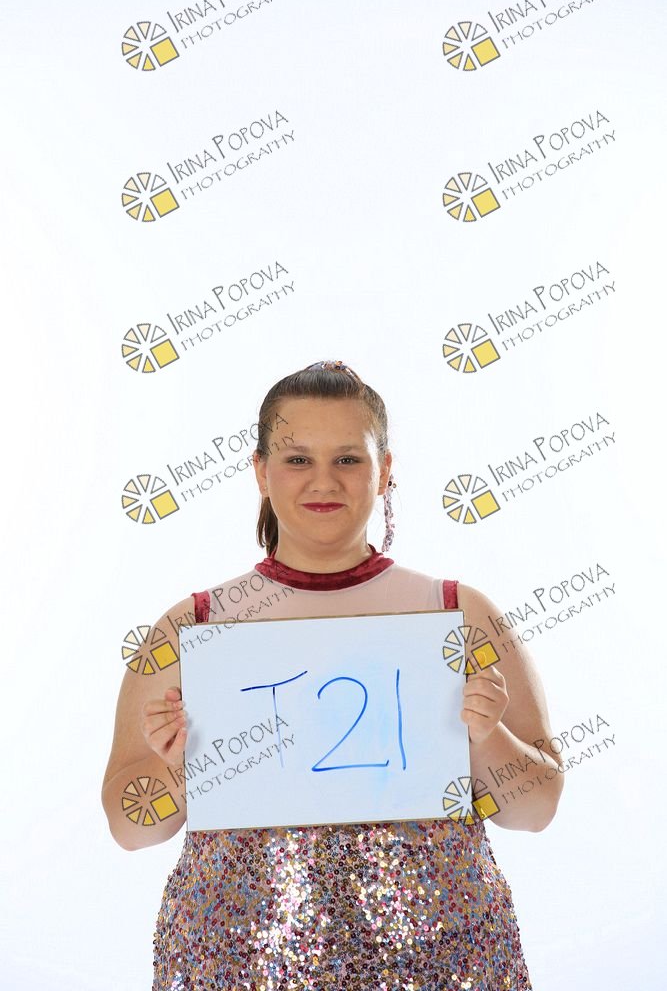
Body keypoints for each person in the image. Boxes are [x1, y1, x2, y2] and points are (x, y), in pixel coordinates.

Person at [101, 360, 564, 989]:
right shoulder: (193, 629)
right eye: (298, 459)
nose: (324, 480)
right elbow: (130, 829)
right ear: (261, 471)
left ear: (385, 469)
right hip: (241, 965)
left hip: (441, 962)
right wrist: (185, 767)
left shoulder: (458, 614)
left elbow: (536, 810)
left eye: (348, 458)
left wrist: (486, 736)